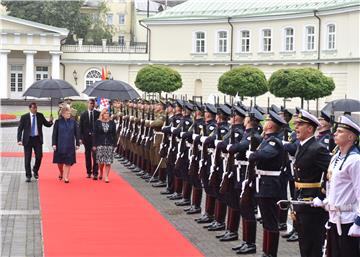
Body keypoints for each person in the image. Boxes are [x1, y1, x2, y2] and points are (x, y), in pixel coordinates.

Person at [313, 115, 360, 257]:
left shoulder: (355, 160)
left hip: (348, 220)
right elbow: (332, 184)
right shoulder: (335, 157)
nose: (335, 133)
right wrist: (324, 199)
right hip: (333, 217)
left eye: (340, 131)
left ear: (351, 137)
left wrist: (358, 223)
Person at [293, 109, 331, 257]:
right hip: (301, 200)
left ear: (310, 129)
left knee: (313, 243)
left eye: (300, 124)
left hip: (312, 202)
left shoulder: (317, 148)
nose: (296, 127)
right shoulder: (302, 145)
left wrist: (322, 194)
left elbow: (332, 173)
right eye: (296, 124)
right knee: (304, 241)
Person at [17, 102, 53, 182]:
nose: (35, 109)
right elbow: (20, 129)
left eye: (36, 108)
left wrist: (50, 121)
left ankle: (35, 170)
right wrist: (19, 140)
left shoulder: (40, 115)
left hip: (37, 139)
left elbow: (47, 124)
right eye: (34, 108)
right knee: (27, 158)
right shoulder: (24, 117)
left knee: (39, 156)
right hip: (27, 140)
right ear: (30, 108)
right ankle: (28, 175)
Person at [52, 106, 80, 183]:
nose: (69, 114)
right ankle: (61, 172)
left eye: (69, 113)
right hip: (60, 144)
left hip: (70, 145)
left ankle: (66, 177)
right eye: (67, 113)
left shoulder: (73, 122)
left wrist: (77, 143)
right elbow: (54, 134)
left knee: (68, 162)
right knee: (60, 162)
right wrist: (54, 144)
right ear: (63, 114)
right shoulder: (58, 122)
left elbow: (77, 133)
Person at [92, 108, 117, 183]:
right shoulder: (97, 122)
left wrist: (115, 144)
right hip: (100, 143)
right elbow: (94, 134)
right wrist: (94, 144)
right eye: (105, 113)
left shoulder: (112, 123)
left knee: (108, 161)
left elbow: (114, 134)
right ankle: (101, 172)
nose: (106, 115)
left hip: (109, 144)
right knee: (101, 162)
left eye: (107, 113)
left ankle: (106, 176)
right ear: (102, 114)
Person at [79, 99, 100, 179]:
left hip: (95, 138)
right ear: (87, 104)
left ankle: (95, 173)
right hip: (86, 138)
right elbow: (80, 127)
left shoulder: (98, 114)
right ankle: (88, 172)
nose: (92, 105)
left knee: (95, 155)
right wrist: (80, 138)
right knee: (87, 155)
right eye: (91, 103)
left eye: (93, 103)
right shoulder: (83, 114)